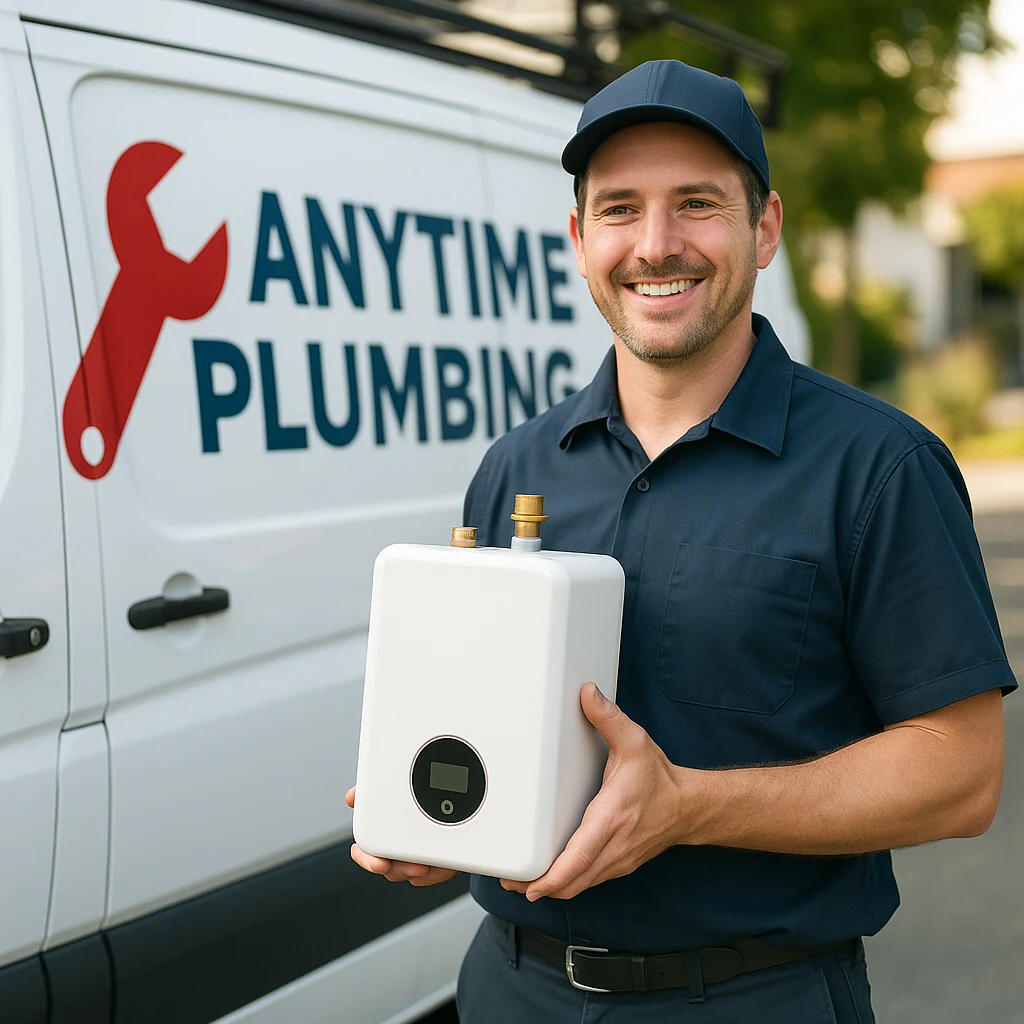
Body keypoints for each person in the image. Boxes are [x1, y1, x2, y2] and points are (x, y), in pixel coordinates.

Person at [346, 59, 1016, 1022]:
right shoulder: (515, 466)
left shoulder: (879, 467)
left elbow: (962, 775)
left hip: (753, 997)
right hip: (511, 989)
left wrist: (689, 806)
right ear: (580, 239)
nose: (655, 245)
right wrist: (434, 816)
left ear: (765, 228)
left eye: (697, 203)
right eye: (619, 210)